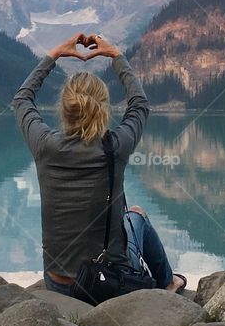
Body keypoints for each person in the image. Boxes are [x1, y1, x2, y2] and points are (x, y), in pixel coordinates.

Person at [12, 32, 186, 297]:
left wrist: (54, 54)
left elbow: (22, 100)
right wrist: (116, 56)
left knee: (130, 216)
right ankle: (168, 283)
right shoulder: (115, 147)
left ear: (64, 108)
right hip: (104, 283)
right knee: (136, 215)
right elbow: (139, 105)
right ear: (103, 109)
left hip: (58, 283)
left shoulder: (45, 145)